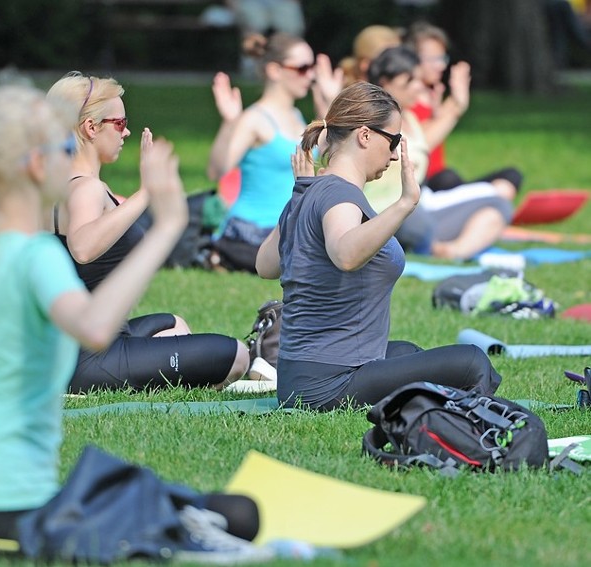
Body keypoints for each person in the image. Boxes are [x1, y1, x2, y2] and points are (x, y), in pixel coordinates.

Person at [0, 84, 266, 560]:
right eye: (63, 147)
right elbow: (95, 329)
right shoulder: (35, 256)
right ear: (40, 165)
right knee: (239, 512)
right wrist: (165, 226)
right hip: (10, 509)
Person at [254, 81, 502, 411]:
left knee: (408, 353)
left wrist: (298, 194)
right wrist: (404, 204)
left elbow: (265, 266)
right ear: (365, 135)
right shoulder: (339, 193)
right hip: (330, 384)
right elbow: (344, 255)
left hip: (299, 378)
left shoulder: (312, 191)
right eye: (394, 140)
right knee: (471, 361)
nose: (397, 152)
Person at [46, 72, 251, 392]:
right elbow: (82, 247)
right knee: (238, 355)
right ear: (90, 128)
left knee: (174, 326)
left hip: (64, 352)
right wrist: (146, 194)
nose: (126, 131)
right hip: (93, 361)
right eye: (119, 122)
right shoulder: (86, 189)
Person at [363, 46, 516, 259]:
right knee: (414, 220)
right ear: (386, 83)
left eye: (419, 80)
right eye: (410, 81)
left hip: (417, 212)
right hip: (383, 214)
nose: (418, 87)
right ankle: (426, 242)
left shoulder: (411, 122)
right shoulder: (369, 122)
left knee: (499, 205)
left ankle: (451, 252)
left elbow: (437, 127)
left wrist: (458, 104)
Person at [206, 32, 314, 272]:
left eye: (312, 67)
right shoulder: (254, 119)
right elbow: (216, 171)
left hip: (286, 230)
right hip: (251, 232)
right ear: (275, 70)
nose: (311, 75)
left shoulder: (297, 117)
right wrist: (229, 123)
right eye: (303, 68)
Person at [404, 21, 523, 195]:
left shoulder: (432, 94)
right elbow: (418, 143)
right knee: (448, 178)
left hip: (441, 181)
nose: (441, 66)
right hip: (422, 186)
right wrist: (456, 107)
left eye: (443, 58)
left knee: (511, 176)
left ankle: (484, 204)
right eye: (433, 59)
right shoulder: (402, 100)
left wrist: (453, 103)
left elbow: (437, 125)